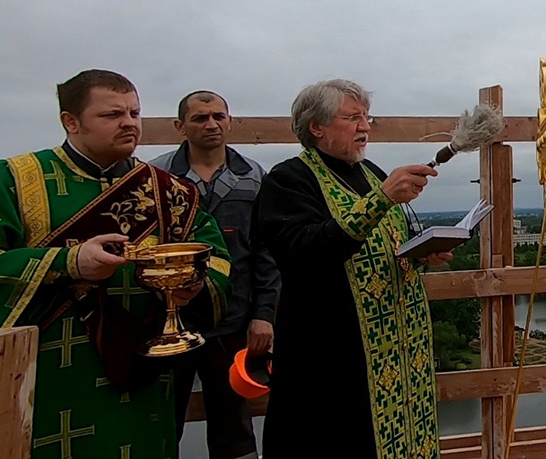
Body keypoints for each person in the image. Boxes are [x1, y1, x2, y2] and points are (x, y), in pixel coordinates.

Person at [0, 69, 231, 459]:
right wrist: (69, 261)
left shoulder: (171, 190)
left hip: (143, 370)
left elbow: (217, 257)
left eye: (135, 113)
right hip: (47, 370)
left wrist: (193, 283)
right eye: (112, 115)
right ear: (70, 121)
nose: (129, 123)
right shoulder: (17, 180)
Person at [254, 79, 452, 459]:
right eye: (353, 118)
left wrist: (421, 252)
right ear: (317, 126)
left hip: (398, 351)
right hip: (332, 355)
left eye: (367, 118)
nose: (365, 127)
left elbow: (388, 244)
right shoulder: (288, 180)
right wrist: (380, 199)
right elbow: (304, 252)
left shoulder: (369, 172)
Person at [149, 91, 278, 459]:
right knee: (162, 420)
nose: (211, 124)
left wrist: (263, 315)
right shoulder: (158, 177)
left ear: (230, 121)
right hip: (169, 323)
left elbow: (266, 254)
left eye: (218, 116)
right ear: (180, 126)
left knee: (234, 423)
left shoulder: (252, 177)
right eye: (200, 118)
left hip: (234, 320)